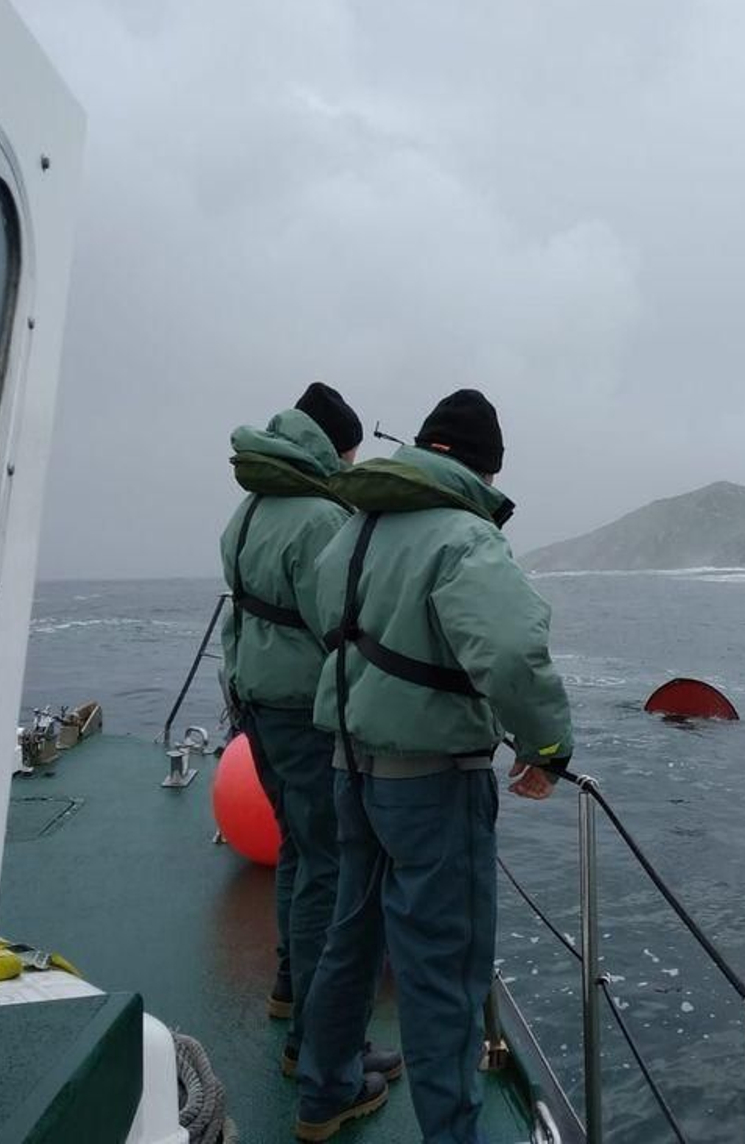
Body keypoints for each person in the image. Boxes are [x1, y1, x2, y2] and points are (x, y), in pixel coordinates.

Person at [294, 390, 574, 1144]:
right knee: (441, 973)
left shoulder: (349, 531)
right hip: (432, 784)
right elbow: (513, 652)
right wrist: (546, 748)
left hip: (348, 767)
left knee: (350, 937)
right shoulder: (463, 538)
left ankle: (324, 1094)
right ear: (484, 469)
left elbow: (327, 622)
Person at [220, 381, 388, 1083]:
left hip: (253, 703)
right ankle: (322, 1043)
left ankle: (291, 990)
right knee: (331, 866)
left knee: (298, 849)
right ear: (329, 447)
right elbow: (339, 627)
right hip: (303, 714)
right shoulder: (320, 519)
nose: (351, 465)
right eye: (348, 453)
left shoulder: (250, 507)